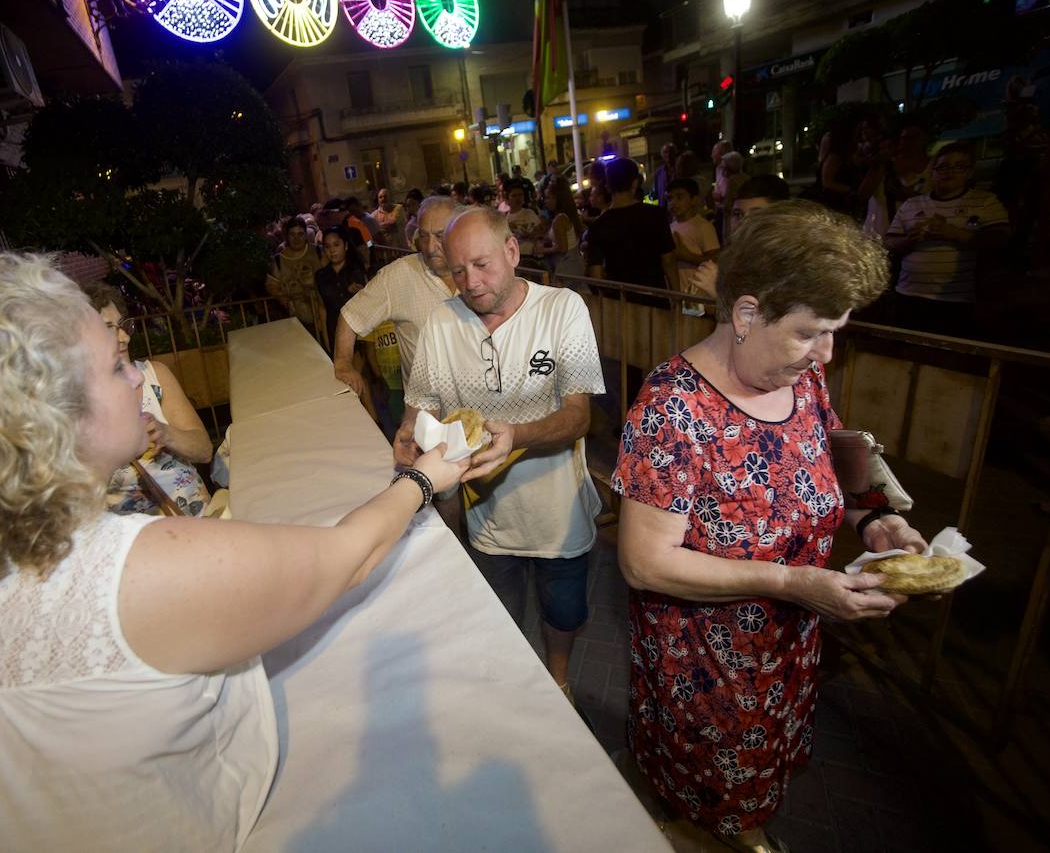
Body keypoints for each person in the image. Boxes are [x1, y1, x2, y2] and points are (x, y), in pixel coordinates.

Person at [0, 253, 467, 852]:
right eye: (115, 365)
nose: (136, 377)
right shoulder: (127, 572)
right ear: (44, 416)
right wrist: (422, 480)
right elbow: (344, 559)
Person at [613, 200, 927, 851]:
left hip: (784, 652)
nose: (826, 355)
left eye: (836, 332)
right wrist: (793, 583)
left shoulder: (799, 376)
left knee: (758, 775)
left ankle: (739, 827)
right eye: (812, 331)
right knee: (706, 789)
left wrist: (874, 516)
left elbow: (833, 442)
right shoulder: (672, 409)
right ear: (748, 313)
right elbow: (645, 562)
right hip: (704, 668)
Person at [396, 207, 604, 702]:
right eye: (458, 269)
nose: (470, 281)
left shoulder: (562, 309)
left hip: (560, 514)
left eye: (482, 264)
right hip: (487, 516)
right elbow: (419, 407)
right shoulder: (443, 322)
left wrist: (518, 434)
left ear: (512, 251)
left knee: (563, 613)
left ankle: (559, 683)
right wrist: (407, 432)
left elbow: (579, 416)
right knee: (502, 616)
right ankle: (516, 693)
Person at [84, 283, 214, 518]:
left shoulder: (155, 375)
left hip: (194, 514)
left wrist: (164, 433)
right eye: (108, 329)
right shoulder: (73, 403)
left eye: (124, 325)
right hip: (133, 534)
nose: (124, 337)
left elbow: (204, 450)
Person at [334, 196, 464, 401]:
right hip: (427, 418)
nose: (430, 247)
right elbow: (351, 316)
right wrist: (343, 364)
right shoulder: (398, 275)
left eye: (440, 236)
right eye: (423, 236)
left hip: (485, 413)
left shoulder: (481, 271)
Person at [884, 142, 1011, 337]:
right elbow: (889, 242)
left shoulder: (984, 202)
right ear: (932, 173)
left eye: (959, 166)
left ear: (969, 172)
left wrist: (954, 233)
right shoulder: (912, 204)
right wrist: (910, 239)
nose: (949, 172)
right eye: (942, 166)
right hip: (909, 294)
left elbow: (1000, 239)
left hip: (956, 299)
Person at [583, 157, 677, 304]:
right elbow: (669, 260)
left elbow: (595, 275)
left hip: (620, 301)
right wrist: (676, 297)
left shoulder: (598, 226)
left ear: (607, 186)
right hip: (655, 296)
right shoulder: (656, 215)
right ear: (635, 183)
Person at [690, 174, 793, 297]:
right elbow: (696, 311)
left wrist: (718, 292)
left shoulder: (789, 265)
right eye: (738, 214)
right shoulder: (731, 261)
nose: (744, 223)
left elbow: (769, 314)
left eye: (756, 215)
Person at [266, 217, 325, 332]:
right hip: (296, 321)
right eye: (292, 234)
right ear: (287, 236)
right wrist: (289, 304)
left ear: (305, 234)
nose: (296, 238)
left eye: (300, 234)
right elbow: (273, 287)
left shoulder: (318, 252)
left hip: (325, 315)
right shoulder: (278, 261)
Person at [314, 227, 368, 343]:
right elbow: (323, 308)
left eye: (336, 245)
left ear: (346, 246)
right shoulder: (321, 276)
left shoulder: (357, 271)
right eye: (327, 247)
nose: (332, 250)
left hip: (359, 331)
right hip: (334, 330)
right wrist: (326, 339)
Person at [668, 177, 721, 291]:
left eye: (679, 197)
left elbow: (715, 260)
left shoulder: (703, 226)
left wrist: (687, 256)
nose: (673, 202)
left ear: (693, 199)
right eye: (670, 198)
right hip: (677, 289)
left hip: (696, 291)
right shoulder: (670, 227)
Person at [540, 178, 585, 280]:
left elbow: (562, 248)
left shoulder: (560, 220)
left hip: (567, 265)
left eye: (548, 198)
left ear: (557, 199)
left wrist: (542, 250)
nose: (545, 201)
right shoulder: (566, 215)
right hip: (573, 262)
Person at [504, 180, 547, 260]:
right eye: (514, 196)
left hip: (532, 256)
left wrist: (532, 235)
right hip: (515, 257)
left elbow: (541, 232)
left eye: (520, 195)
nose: (518, 198)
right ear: (507, 200)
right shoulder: (504, 219)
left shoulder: (530, 213)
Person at [653, 144, 677, 210]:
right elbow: (656, 193)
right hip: (664, 209)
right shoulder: (658, 172)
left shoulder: (680, 169)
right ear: (662, 155)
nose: (668, 154)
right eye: (665, 152)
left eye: (671, 152)